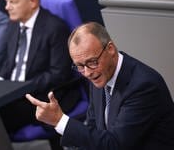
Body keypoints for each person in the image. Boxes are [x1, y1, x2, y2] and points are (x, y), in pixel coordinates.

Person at [26, 22, 174, 149]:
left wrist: (60, 121)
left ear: (110, 49)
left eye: (92, 62)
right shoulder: (98, 74)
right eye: (79, 66)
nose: (87, 73)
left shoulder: (143, 86)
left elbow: (115, 145)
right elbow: (93, 127)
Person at [0, 0, 80, 133]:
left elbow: (59, 74)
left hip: (39, 95)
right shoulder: (13, 24)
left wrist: (20, 88)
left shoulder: (55, 28)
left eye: (13, 2)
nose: (7, 7)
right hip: (12, 92)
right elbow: (10, 63)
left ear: (32, 1)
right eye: (6, 1)